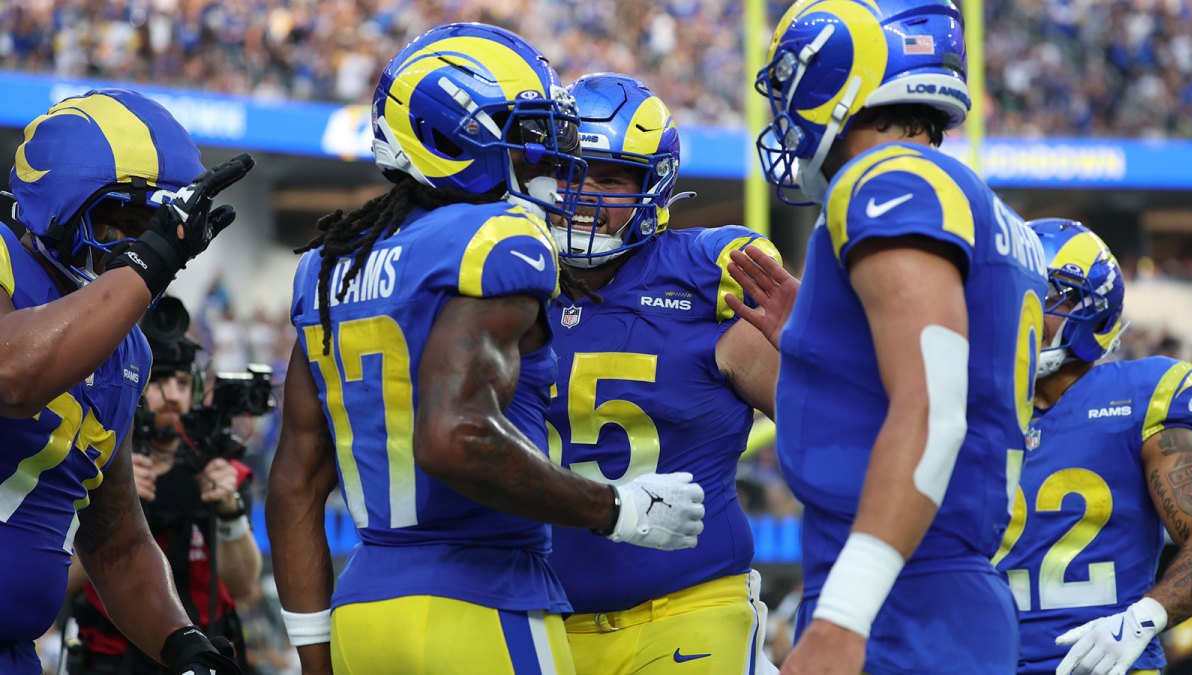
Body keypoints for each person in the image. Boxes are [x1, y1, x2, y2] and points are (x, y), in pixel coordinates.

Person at [265, 23, 706, 675]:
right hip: (482, 601)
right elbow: (452, 435)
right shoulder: (500, 239)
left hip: (365, 610)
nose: (550, 162)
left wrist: (313, 648)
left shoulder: (328, 265)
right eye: (526, 138)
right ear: (454, 135)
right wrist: (616, 508)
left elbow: (296, 480)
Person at [731, 0, 1050, 672]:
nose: (785, 111)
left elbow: (934, 410)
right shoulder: (975, 202)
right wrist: (824, 348)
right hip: (926, 583)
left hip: (901, 594)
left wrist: (844, 616)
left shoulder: (888, 178)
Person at [0, 88, 252, 674]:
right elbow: (13, 376)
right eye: (126, 223)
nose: (144, 246)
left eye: (158, 229)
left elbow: (115, 538)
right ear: (60, 208)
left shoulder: (125, 350)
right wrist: (150, 259)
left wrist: (183, 642)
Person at [544, 72, 782, 675]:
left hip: (687, 607)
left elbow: (825, 422)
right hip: (542, 617)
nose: (583, 193)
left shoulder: (707, 281)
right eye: (569, 170)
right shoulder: (507, 279)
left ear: (653, 188)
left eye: (610, 177)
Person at [993, 219, 1192, 675]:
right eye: (1006, 292)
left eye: (1039, 296)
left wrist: (1144, 619)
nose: (1017, 311)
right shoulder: (971, 406)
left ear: (1092, 307)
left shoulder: (1142, 395)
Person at [67, 296, 264, 674]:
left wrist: (229, 511)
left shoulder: (219, 467)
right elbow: (63, 582)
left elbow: (242, 584)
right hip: (113, 659)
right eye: (158, 381)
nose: (171, 395)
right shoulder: (93, 458)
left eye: (182, 383)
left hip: (204, 655)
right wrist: (114, 507)